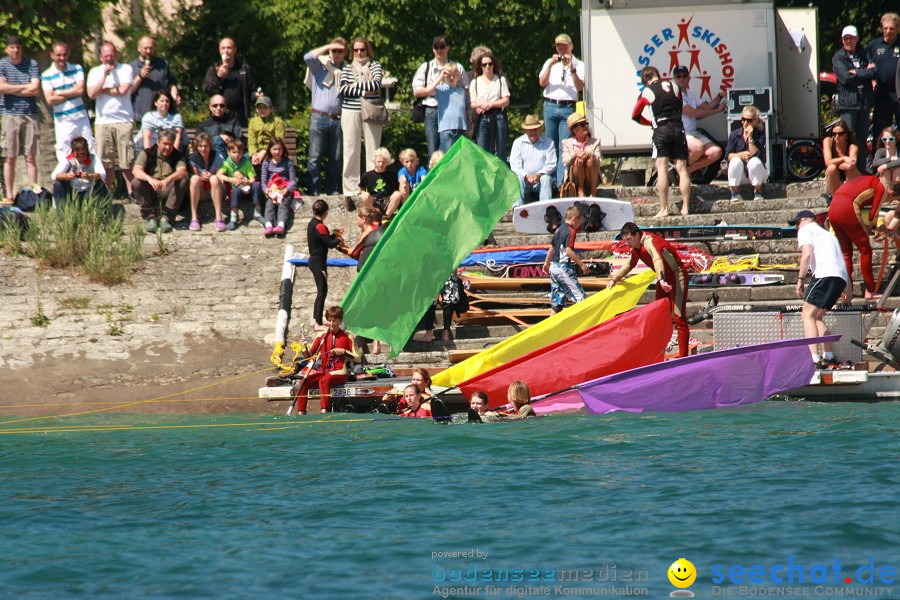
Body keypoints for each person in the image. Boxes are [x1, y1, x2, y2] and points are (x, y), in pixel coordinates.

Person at [607, 222, 690, 357]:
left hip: (676, 275)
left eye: (629, 240)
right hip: (663, 279)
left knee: (679, 318)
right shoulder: (636, 248)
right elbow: (630, 264)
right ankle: (658, 355)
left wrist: (661, 279)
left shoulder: (648, 241)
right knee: (659, 317)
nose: (627, 243)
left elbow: (657, 259)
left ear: (637, 235)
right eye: (625, 240)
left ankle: (683, 358)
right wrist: (614, 279)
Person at [789, 210, 850, 368]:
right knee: (817, 317)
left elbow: (807, 254)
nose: (797, 227)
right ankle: (829, 356)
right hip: (840, 278)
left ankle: (813, 358)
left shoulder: (806, 229)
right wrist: (848, 291)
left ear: (805, 220)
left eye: (797, 223)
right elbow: (843, 263)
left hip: (824, 275)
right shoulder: (829, 235)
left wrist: (800, 280)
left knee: (806, 314)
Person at [631, 66, 690, 217]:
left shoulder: (647, 91)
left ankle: (664, 209)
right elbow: (679, 107)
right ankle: (685, 207)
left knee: (662, 168)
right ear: (658, 74)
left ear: (645, 80)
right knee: (682, 169)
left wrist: (650, 123)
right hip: (678, 128)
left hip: (661, 130)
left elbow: (635, 114)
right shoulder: (674, 86)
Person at [292, 306, 361, 415]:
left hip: (339, 371)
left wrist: (344, 352)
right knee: (303, 381)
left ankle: (324, 411)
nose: (331, 323)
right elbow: (308, 356)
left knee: (324, 380)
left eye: (334, 320)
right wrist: (303, 347)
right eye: (329, 320)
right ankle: (301, 413)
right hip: (322, 370)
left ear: (340, 321)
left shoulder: (348, 336)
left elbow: (358, 358)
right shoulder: (321, 335)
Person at [827, 175, 886, 300]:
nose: (889, 202)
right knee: (865, 249)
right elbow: (872, 216)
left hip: (832, 209)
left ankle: (846, 290)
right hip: (847, 208)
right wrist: (874, 227)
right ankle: (870, 290)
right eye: (891, 199)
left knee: (846, 253)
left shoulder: (864, 179)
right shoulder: (881, 187)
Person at [87, 42, 134, 196]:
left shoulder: (126, 69)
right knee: (105, 161)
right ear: (101, 57)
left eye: (111, 55)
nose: (109, 58)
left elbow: (123, 90)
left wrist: (103, 89)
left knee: (126, 160)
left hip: (123, 120)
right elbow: (91, 94)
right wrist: (104, 78)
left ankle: (131, 193)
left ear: (116, 55)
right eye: (106, 55)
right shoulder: (95, 72)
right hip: (102, 122)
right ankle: (107, 193)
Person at [340, 36, 385, 196]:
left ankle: (372, 186)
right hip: (350, 110)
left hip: (371, 110)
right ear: (352, 51)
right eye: (356, 50)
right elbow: (343, 89)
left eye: (362, 49)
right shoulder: (347, 68)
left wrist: (355, 87)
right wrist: (364, 91)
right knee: (350, 149)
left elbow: (376, 84)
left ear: (367, 50)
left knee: (373, 149)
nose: (359, 53)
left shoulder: (375, 65)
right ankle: (351, 189)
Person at [539, 33, 585, 186]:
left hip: (567, 107)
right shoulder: (550, 63)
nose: (562, 50)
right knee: (550, 145)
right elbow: (542, 82)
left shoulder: (580, 65)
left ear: (571, 46)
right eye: (559, 47)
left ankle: (561, 183)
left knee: (564, 146)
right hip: (550, 105)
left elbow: (579, 87)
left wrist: (571, 68)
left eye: (565, 47)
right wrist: (551, 65)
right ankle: (549, 180)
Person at [412, 36, 468, 159]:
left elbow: (466, 89)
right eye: (436, 47)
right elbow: (417, 91)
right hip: (432, 110)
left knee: (453, 153)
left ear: (448, 48)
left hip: (452, 114)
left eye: (442, 47)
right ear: (432, 49)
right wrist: (440, 77)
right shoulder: (426, 67)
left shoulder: (457, 67)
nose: (439, 50)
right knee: (433, 152)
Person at [1, 35, 41, 202]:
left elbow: (36, 89)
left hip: (30, 113)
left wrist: (12, 88)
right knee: (9, 156)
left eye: (18, 47)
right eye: (12, 47)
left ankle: (32, 194)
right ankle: (9, 195)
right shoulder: (2, 64)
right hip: (10, 114)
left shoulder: (32, 64)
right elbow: (1, 87)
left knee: (30, 156)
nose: (15, 50)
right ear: (7, 49)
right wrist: (25, 87)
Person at [304, 38, 346, 196]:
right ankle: (313, 191)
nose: (336, 54)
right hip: (319, 117)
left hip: (338, 118)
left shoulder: (347, 70)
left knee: (336, 158)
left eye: (340, 51)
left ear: (345, 53)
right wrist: (328, 45)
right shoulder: (320, 66)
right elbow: (308, 57)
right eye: (334, 50)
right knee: (314, 157)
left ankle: (333, 190)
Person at [41, 41, 95, 163]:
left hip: (80, 117)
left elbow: (80, 90)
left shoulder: (76, 68)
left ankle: (92, 177)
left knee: (89, 147)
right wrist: (72, 90)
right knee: (64, 152)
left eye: (64, 55)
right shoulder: (46, 75)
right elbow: (49, 99)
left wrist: (59, 92)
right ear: (52, 55)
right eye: (59, 55)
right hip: (63, 120)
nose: (62, 58)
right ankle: (67, 179)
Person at [833, 25, 875, 173]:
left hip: (864, 103)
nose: (848, 41)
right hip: (849, 104)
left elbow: (874, 71)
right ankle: (843, 174)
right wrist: (865, 72)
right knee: (845, 140)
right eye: (845, 38)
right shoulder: (838, 57)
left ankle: (861, 171)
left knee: (862, 141)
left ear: (857, 39)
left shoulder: (864, 54)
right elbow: (845, 78)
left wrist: (856, 73)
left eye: (851, 38)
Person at [672, 65, 725, 177]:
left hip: (692, 133)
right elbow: (694, 113)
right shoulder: (675, 95)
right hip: (680, 133)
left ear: (689, 78)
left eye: (684, 76)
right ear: (674, 79)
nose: (682, 78)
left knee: (716, 152)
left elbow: (706, 107)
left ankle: (687, 171)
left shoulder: (690, 93)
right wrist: (717, 111)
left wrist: (720, 96)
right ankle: (678, 168)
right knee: (698, 147)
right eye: (679, 76)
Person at [132, 129, 187, 234]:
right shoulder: (147, 153)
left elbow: (182, 171)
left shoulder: (178, 155)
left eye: (170, 144)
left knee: (182, 181)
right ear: (158, 142)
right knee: (136, 182)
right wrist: (150, 179)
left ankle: (167, 217)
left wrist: (168, 179)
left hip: (167, 188)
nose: (167, 147)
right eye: (165, 144)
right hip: (152, 188)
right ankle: (150, 217)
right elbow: (136, 170)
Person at [307, 199, 345, 329]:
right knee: (322, 292)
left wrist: (334, 234)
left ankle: (314, 319)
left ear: (313, 211)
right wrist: (338, 237)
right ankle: (317, 323)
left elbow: (324, 238)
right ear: (326, 213)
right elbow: (330, 243)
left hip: (314, 260)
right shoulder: (320, 226)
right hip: (318, 262)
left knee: (321, 291)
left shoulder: (312, 223)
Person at [542, 206, 588, 313]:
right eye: (579, 222)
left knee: (557, 301)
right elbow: (568, 251)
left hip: (553, 266)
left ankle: (551, 326)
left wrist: (546, 263)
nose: (579, 225)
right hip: (562, 268)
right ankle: (583, 325)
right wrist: (582, 265)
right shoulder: (570, 231)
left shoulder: (558, 229)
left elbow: (552, 247)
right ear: (574, 219)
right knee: (580, 298)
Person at [203, 37, 255, 127]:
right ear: (219, 51)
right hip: (219, 115)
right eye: (223, 48)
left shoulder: (244, 68)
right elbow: (208, 91)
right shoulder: (214, 69)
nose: (226, 51)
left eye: (229, 48)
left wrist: (256, 95)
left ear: (235, 50)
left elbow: (252, 90)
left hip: (240, 116)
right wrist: (218, 77)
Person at [129, 35, 180, 124]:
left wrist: (175, 96)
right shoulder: (131, 67)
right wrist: (140, 76)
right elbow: (128, 91)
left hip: (162, 116)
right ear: (139, 48)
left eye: (151, 48)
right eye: (145, 48)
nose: (148, 51)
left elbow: (171, 85)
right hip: (141, 117)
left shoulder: (163, 64)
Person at [469, 51, 510, 160]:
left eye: (490, 63)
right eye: (484, 64)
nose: (487, 66)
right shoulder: (475, 82)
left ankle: (500, 175)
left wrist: (491, 104)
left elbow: (506, 101)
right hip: (482, 117)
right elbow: (472, 103)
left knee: (500, 150)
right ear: (480, 66)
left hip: (498, 116)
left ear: (493, 64)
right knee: (482, 150)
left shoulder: (500, 80)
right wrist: (482, 105)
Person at [420, 64, 468, 152]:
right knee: (447, 158)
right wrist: (441, 75)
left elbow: (467, 106)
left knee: (460, 158)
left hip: (461, 128)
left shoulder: (462, 91)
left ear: (458, 76)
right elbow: (428, 90)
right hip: (447, 129)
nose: (451, 78)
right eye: (449, 76)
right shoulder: (441, 89)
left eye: (454, 75)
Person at [509, 114, 556, 206]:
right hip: (524, 180)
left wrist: (539, 174)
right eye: (530, 130)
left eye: (535, 129)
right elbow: (514, 165)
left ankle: (545, 209)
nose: (532, 132)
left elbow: (552, 164)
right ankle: (517, 209)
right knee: (517, 178)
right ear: (525, 130)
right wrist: (526, 175)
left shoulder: (549, 142)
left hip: (541, 180)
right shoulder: (518, 142)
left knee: (546, 178)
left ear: (540, 129)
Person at [725, 105, 769, 202]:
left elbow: (756, 154)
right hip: (741, 173)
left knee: (754, 161)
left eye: (749, 120)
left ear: (755, 121)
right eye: (743, 119)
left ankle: (757, 190)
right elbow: (728, 156)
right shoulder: (734, 135)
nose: (745, 123)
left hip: (757, 172)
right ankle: (734, 192)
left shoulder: (760, 135)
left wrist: (750, 138)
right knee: (735, 161)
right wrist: (740, 155)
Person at [867, 13, 900, 142]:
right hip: (881, 95)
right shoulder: (873, 45)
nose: (888, 31)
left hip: (898, 95)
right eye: (885, 28)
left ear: (897, 28)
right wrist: (871, 80)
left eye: (891, 28)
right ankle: (879, 159)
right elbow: (866, 67)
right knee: (880, 131)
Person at [217, 139, 262, 231]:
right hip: (237, 190)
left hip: (248, 188)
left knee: (256, 185)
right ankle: (233, 217)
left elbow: (253, 178)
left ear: (242, 152)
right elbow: (219, 174)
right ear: (228, 152)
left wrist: (248, 182)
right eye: (234, 152)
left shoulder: (246, 162)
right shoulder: (227, 163)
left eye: (239, 152)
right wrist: (231, 179)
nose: (237, 155)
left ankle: (257, 213)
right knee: (235, 191)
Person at [50, 136, 108, 205]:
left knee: (100, 184)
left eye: (83, 154)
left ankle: (101, 212)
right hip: (73, 191)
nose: (81, 155)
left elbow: (103, 174)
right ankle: (62, 212)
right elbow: (53, 175)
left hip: (89, 191)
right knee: (58, 184)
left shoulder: (93, 158)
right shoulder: (68, 159)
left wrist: (90, 176)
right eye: (78, 153)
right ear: (73, 152)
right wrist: (66, 176)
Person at [187, 132, 226, 232]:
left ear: (210, 146)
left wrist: (210, 176)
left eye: (206, 146)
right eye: (200, 146)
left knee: (214, 179)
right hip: (202, 191)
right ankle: (194, 217)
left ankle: (218, 217)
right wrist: (201, 177)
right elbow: (194, 175)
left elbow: (219, 175)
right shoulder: (193, 158)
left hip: (217, 189)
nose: (203, 149)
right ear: (197, 146)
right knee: (194, 179)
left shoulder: (217, 155)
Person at [260, 136, 297, 237]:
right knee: (269, 204)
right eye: (274, 149)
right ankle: (268, 225)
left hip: (284, 189)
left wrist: (287, 189)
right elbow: (263, 181)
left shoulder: (287, 162)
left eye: (279, 149)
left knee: (283, 205)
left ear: (283, 149)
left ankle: (281, 225)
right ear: (270, 150)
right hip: (271, 189)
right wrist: (266, 190)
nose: (277, 152)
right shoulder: (266, 162)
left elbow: (293, 180)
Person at [561, 113, 602, 197]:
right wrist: (575, 153)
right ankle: (581, 189)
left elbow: (599, 159)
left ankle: (593, 191)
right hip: (575, 178)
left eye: (586, 124)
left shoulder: (595, 142)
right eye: (582, 125)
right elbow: (565, 162)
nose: (586, 126)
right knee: (577, 161)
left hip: (592, 176)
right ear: (574, 130)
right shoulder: (566, 143)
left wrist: (588, 154)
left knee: (589, 160)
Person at [822, 120, 861, 202]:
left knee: (850, 169)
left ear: (846, 135)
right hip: (835, 178)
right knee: (831, 168)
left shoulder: (852, 147)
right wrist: (843, 159)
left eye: (840, 134)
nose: (836, 136)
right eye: (834, 134)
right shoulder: (828, 141)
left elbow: (851, 164)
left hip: (850, 177)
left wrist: (837, 163)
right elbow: (827, 162)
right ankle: (836, 200)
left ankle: (849, 198)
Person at [135, 89, 184, 153]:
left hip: (168, 151)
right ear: (156, 103)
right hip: (145, 150)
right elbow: (146, 138)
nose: (165, 103)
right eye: (162, 101)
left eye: (167, 101)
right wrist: (149, 156)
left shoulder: (176, 118)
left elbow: (177, 138)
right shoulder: (149, 117)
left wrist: (173, 156)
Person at [359, 147, 403, 217]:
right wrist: (364, 193)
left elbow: (397, 189)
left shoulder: (392, 174)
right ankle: (374, 215)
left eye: (383, 162)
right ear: (374, 161)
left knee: (398, 194)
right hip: (374, 200)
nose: (381, 164)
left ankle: (386, 216)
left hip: (387, 200)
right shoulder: (367, 175)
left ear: (388, 162)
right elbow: (362, 188)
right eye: (378, 162)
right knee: (365, 196)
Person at [198, 93, 242, 161]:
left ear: (225, 107)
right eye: (215, 105)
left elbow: (241, 140)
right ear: (210, 107)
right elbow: (199, 142)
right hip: (212, 157)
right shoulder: (204, 125)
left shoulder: (234, 122)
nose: (218, 108)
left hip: (233, 153)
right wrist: (219, 137)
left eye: (222, 105)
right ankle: (224, 167)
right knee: (217, 140)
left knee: (247, 156)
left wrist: (232, 140)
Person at [247, 96, 285, 168]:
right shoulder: (253, 122)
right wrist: (254, 154)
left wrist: (264, 152)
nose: (262, 110)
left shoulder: (277, 122)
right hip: (257, 151)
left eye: (265, 107)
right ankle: (249, 179)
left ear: (271, 109)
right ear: (256, 109)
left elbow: (278, 142)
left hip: (273, 151)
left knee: (268, 159)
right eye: (259, 107)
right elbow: (251, 141)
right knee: (244, 159)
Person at [872, 126, 900, 193]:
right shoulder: (881, 151)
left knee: (897, 169)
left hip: (897, 178)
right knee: (886, 171)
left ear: (896, 140)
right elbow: (875, 163)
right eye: (884, 139)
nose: (887, 142)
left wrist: (885, 166)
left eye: (890, 139)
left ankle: (896, 192)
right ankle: (886, 193)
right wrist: (891, 159)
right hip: (883, 179)